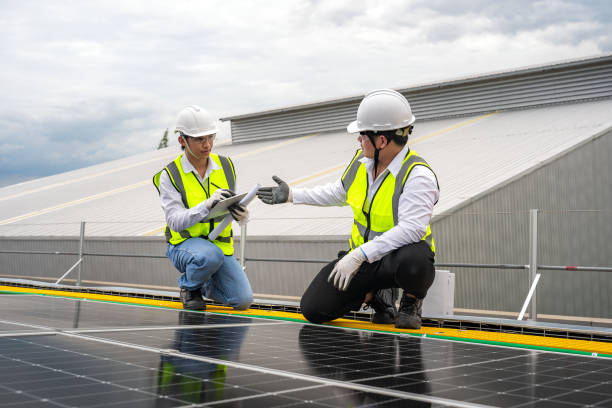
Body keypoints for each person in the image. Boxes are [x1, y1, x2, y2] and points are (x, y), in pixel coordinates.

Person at [257, 89, 439, 329]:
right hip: (364, 260)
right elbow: (338, 193)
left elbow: (412, 230)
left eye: (363, 134)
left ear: (381, 140)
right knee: (314, 308)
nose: (358, 140)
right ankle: (374, 295)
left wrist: (359, 255)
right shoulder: (360, 163)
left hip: (394, 259)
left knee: (416, 259)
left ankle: (411, 303)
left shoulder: (417, 175)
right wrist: (292, 195)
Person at [153, 105, 253, 311]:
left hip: (219, 247)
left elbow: (226, 205)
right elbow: (174, 221)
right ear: (183, 140)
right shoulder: (169, 175)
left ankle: (205, 283)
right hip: (185, 246)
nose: (207, 144)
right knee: (208, 256)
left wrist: (239, 212)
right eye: (199, 139)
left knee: (243, 300)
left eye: (210, 137)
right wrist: (206, 205)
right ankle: (189, 287)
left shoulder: (226, 166)